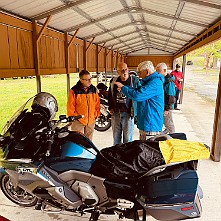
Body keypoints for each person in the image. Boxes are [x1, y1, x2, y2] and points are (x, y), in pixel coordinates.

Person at [114, 61, 167, 140]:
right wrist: (125, 88)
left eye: (139, 72)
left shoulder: (154, 83)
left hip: (150, 124)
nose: (138, 74)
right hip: (146, 122)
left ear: (146, 72)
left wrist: (123, 88)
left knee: (148, 149)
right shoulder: (149, 82)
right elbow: (137, 90)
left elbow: (137, 95)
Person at [108, 62, 140, 145]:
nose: (124, 72)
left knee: (128, 139)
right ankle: (116, 155)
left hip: (128, 113)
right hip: (116, 113)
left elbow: (139, 95)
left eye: (126, 69)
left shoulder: (134, 81)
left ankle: (127, 156)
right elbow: (110, 95)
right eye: (122, 70)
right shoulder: (114, 81)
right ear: (118, 72)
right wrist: (110, 107)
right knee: (116, 138)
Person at [67, 70, 100, 141]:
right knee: (77, 142)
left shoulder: (93, 89)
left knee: (89, 143)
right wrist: (74, 118)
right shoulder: (74, 90)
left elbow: (97, 103)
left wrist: (96, 115)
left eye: (90, 79)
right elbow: (70, 106)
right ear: (81, 80)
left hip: (91, 121)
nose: (89, 81)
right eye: (87, 80)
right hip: (78, 121)